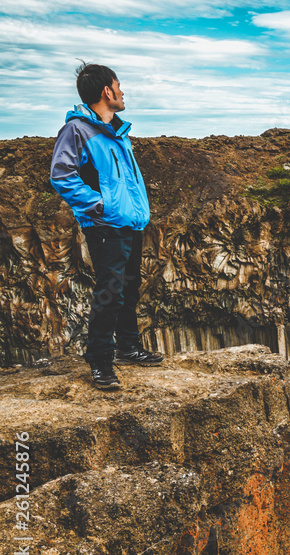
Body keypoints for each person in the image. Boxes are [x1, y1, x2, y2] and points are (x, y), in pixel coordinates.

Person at [50, 62, 163, 389]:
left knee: (128, 288)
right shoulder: (78, 131)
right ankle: (100, 361)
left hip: (130, 224)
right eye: (119, 85)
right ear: (106, 91)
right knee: (109, 292)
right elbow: (62, 176)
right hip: (105, 227)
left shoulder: (116, 132)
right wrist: (101, 205)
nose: (123, 91)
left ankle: (128, 347)